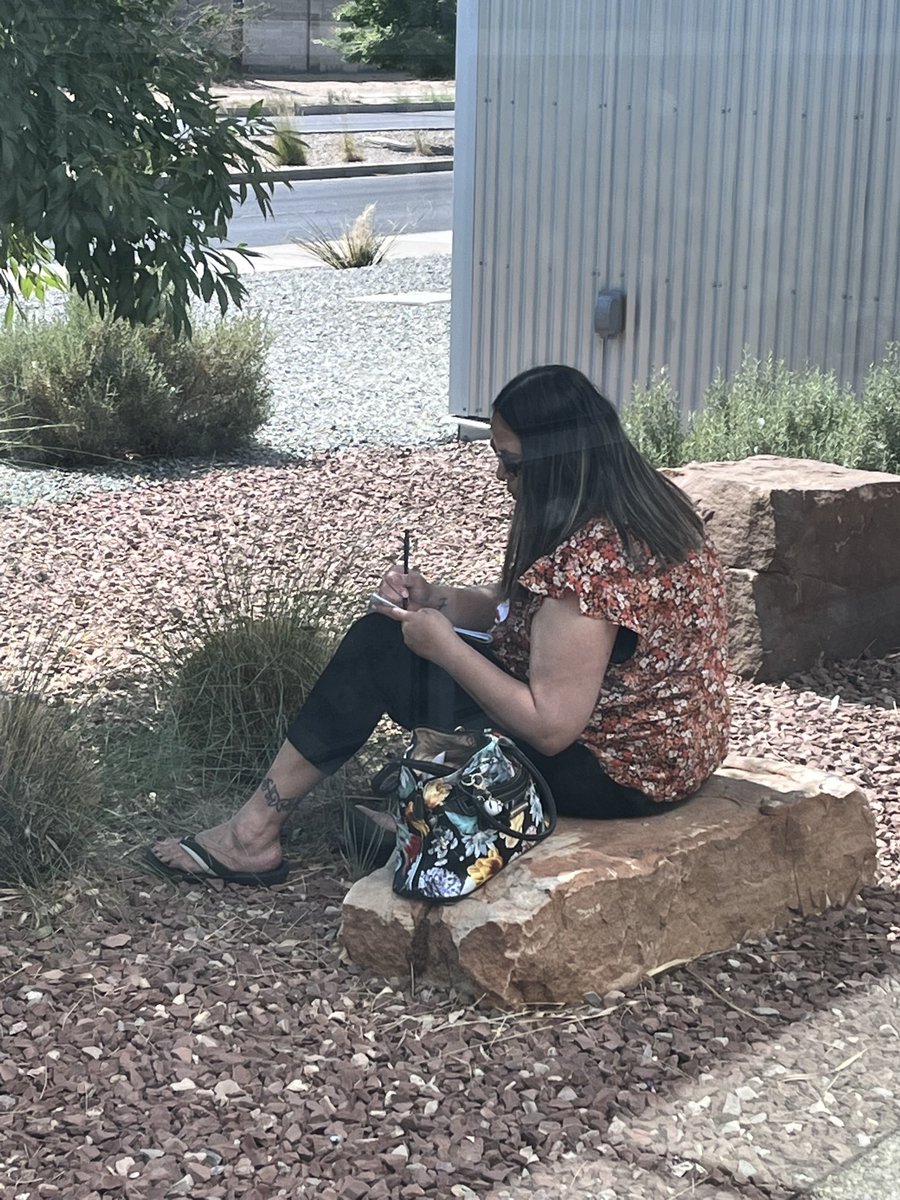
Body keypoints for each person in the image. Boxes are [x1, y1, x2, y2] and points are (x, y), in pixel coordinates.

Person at [146, 364, 730, 886]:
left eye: (512, 462)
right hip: (672, 752)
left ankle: (251, 837)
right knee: (398, 639)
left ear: (558, 462)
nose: (502, 476)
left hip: (614, 775)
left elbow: (551, 727)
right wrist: (442, 600)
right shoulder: (645, 507)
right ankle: (414, 802)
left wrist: (445, 649)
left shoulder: (590, 563)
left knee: (378, 648)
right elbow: (522, 613)